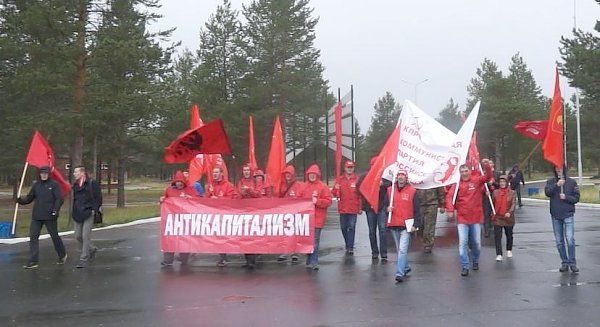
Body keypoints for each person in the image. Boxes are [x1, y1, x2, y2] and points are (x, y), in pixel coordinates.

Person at [446, 159, 492, 277]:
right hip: (462, 219)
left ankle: (475, 260)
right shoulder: (457, 185)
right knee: (463, 242)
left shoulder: (476, 181)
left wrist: (486, 165)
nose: (464, 173)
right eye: (462, 171)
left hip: (476, 218)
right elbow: (449, 197)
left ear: (469, 172)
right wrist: (450, 210)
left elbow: (487, 177)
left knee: (476, 243)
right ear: (460, 173)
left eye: (466, 171)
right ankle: (465, 266)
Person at [17, 166, 67, 269]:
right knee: (33, 237)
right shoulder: (36, 185)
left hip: (50, 216)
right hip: (37, 216)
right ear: (40, 174)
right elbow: (30, 198)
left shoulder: (54, 185)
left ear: (48, 174)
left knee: (54, 236)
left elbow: (59, 199)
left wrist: (55, 210)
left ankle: (62, 254)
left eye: (45, 173)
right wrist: (21, 201)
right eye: (42, 173)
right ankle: (33, 261)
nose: (43, 175)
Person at [386, 170, 422, 283]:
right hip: (394, 224)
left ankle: (399, 273)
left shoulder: (412, 191)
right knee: (399, 250)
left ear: (406, 178)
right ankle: (406, 267)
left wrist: (416, 225)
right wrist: (387, 209)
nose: (401, 177)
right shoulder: (390, 190)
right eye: (399, 175)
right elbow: (384, 205)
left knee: (402, 250)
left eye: (403, 176)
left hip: (406, 226)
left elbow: (417, 210)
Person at [545, 165, 580, 273]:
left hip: (568, 214)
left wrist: (566, 197)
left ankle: (572, 263)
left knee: (570, 239)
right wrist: (557, 185)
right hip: (556, 215)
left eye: (560, 168)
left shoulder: (572, 182)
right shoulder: (551, 182)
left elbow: (577, 197)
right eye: (556, 168)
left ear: (564, 169)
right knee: (559, 241)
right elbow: (547, 193)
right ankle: (564, 262)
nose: (558, 170)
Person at [160, 170, 197, 267]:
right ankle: (167, 260)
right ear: (174, 182)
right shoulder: (169, 190)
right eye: (177, 182)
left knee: (184, 239)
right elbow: (165, 200)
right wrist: (162, 200)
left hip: (186, 220)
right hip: (172, 220)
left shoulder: (190, 189)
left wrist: (191, 198)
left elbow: (198, 202)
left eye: (181, 182)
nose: (179, 183)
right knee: (170, 239)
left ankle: (184, 258)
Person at [357, 157, 391, 261]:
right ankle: (374, 252)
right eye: (373, 165)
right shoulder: (364, 176)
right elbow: (359, 188)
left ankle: (384, 253)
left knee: (382, 230)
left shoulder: (384, 176)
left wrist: (382, 184)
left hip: (381, 207)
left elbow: (391, 184)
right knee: (372, 231)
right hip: (369, 207)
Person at [206, 166, 239, 267]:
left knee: (225, 236)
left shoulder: (228, 185)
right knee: (218, 236)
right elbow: (205, 200)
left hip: (225, 215)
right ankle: (222, 257)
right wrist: (209, 194)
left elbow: (231, 199)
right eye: (213, 173)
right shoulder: (210, 186)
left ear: (221, 173)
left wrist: (218, 199)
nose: (214, 174)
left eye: (216, 172)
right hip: (215, 216)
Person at [302, 164, 332, 270]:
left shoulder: (323, 186)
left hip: (318, 218)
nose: (312, 176)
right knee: (307, 240)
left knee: (315, 240)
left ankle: (314, 261)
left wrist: (317, 202)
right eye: (310, 174)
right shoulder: (304, 186)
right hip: (306, 219)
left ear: (317, 175)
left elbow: (328, 201)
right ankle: (309, 260)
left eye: (314, 174)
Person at [72, 165, 102, 269]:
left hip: (88, 212)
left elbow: (98, 198)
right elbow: (75, 199)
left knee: (85, 236)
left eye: (76, 172)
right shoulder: (75, 185)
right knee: (78, 236)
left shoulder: (92, 183)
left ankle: (83, 258)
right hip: (77, 213)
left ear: (82, 173)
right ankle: (92, 248)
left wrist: (95, 210)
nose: (74, 174)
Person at [332, 160, 361, 255]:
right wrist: (336, 188)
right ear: (345, 168)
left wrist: (360, 207)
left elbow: (361, 195)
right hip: (343, 208)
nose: (350, 169)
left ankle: (350, 247)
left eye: (351, 167)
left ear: (353, 168)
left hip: (353, 208)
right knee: (344, 227)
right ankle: (347, 243)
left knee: (351, 227)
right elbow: (333, 193)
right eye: (348, 167)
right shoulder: (340, 179)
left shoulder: (357, 179)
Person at [277, 164, 305, 263]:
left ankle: (295, 252)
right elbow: (278, 197)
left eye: (289, 173)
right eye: (286, 174)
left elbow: (302, 198)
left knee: (295, 233)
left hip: (296, 214)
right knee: (284, 233)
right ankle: (284, 252)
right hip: (285, 213)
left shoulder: (299, 185)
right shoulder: (282, 185)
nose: (287, 175)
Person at [237, 164, 259, 268]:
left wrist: (249, 190)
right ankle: (247, 260)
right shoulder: (240, 182)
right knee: (245, 236)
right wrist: (242, 193)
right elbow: (236, 196)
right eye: (244, 170)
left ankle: (252, 260)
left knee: (252, 236)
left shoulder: (255, 182)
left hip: (254, 212)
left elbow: (258, 194)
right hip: (243, 212)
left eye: (247, 170)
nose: (246, 172)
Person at [491, 175, 517, 262]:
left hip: (508, 217)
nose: (502, 183)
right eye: (500, 182)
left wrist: (509, 212)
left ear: (507, 182)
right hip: (498, 217)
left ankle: (509, 249)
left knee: (509, 234)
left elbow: (513, 204)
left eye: (504, 182)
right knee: (497, 236)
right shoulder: (495, 192)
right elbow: (492, 203)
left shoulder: (512, 193)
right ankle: (499, 254)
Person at [416, 186, 445, 253]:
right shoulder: (418, 176)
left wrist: (442, 204)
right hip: (419, 203)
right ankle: (424, 239)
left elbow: (440, 189)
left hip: (432, 203)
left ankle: (428, 244)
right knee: (420, 225)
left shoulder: (434, 177)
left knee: (429, 225)